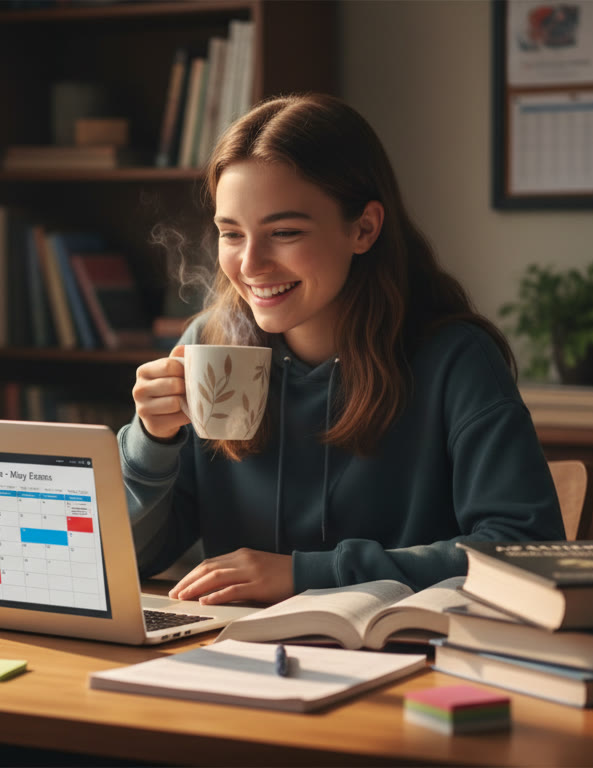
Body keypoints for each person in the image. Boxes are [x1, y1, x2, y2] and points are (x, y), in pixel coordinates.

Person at [119, 93, 565, 606]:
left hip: (406, 659)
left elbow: (527, 550)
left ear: (364, 228)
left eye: (284, 232)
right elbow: (127, 561)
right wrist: (151, 443)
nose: (250, 264)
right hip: (239, 656)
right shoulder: (209, 345)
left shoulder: (454, 359)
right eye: (231, 234)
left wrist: (306, 574)